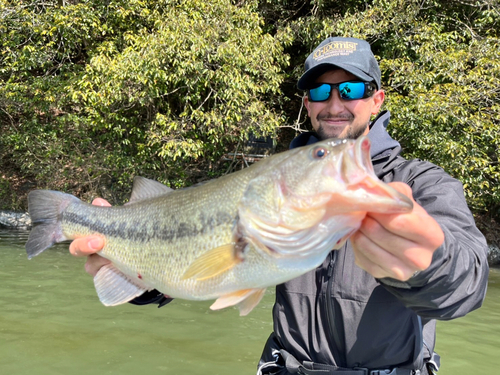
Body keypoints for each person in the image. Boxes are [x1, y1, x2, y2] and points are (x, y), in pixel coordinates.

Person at [69, 37, 489, 375]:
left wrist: (428, 264)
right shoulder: (273, 180)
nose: (335, 103)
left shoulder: (421, 184)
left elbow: (469, 284)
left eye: (351, 89)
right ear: (307, 103)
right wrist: (140, 279)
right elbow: (200, 262)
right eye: (320, 90)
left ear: (377, 100)